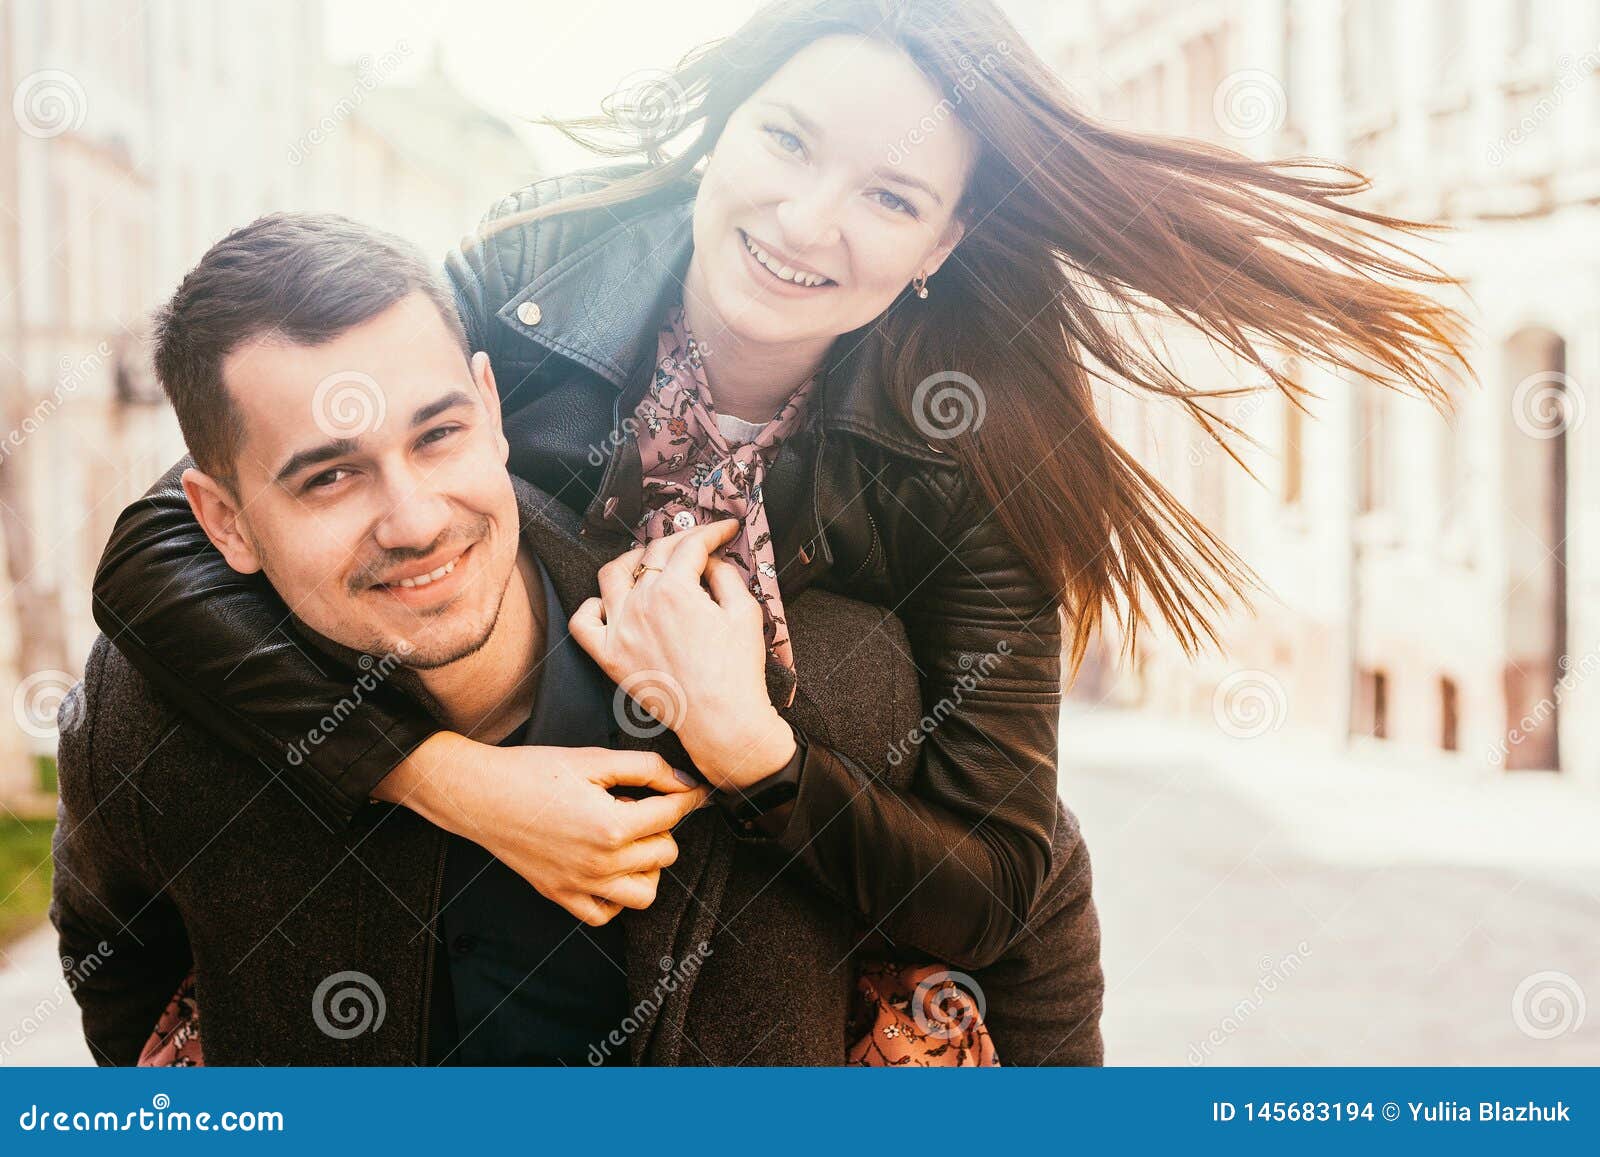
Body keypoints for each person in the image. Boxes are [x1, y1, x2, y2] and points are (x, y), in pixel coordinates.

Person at [91, 0, 1468, 1035]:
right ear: (724, 130)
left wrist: (754, 745)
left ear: (939, 246)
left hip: (835, 939)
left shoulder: (967, 457)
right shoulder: (527, 281)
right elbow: (176, 549)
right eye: (788, 140)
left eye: (890, 197)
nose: (807, 220)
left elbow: (1000, 883)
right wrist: (444, 778)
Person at [54, 212, 1104, 1065]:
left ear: (493, 409)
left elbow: (1027, 896)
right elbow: (121, 967)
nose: (413, 516)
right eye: (330, 474)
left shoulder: (801, 676)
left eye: (438, 434)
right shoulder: (148, 725)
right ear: (224, 517)